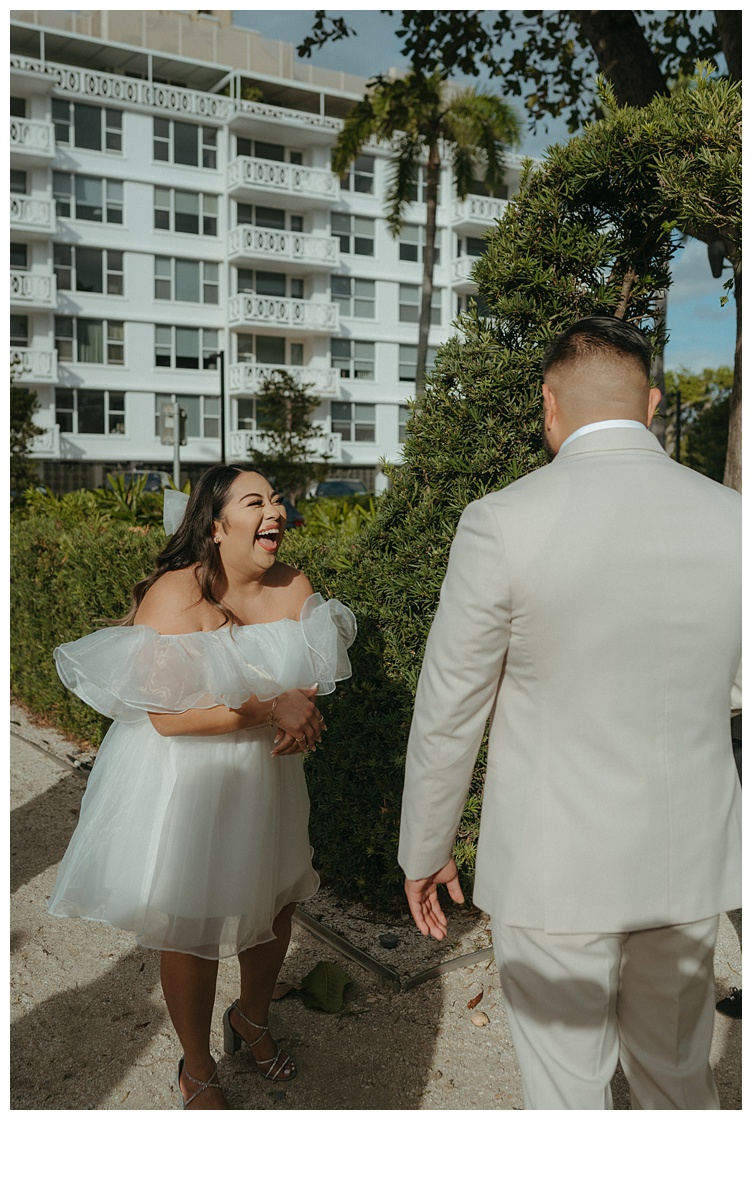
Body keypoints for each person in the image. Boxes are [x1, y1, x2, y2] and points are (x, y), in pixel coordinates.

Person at [398, 316, 741, 1110]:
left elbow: (450, 708)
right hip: (687, 862)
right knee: (680, 1082)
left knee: (567, 1098)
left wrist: (426, 846)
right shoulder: (736, 521)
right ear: (651, 404)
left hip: (555, 870)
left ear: (549, 405)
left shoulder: (501, 520)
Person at [48, 464, 356, 1109]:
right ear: (216, 527)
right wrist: (275, 709)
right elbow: (166, 719)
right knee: (193, 919)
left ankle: (252, 1018)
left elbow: (307, 679)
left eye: (275, 499)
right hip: (189, 780)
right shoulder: (174, 595)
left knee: (277, 903)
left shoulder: (295, 586)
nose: (274, 510)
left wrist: (302, 711)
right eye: (255, 502)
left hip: (270, 780)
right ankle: (195, 1065)